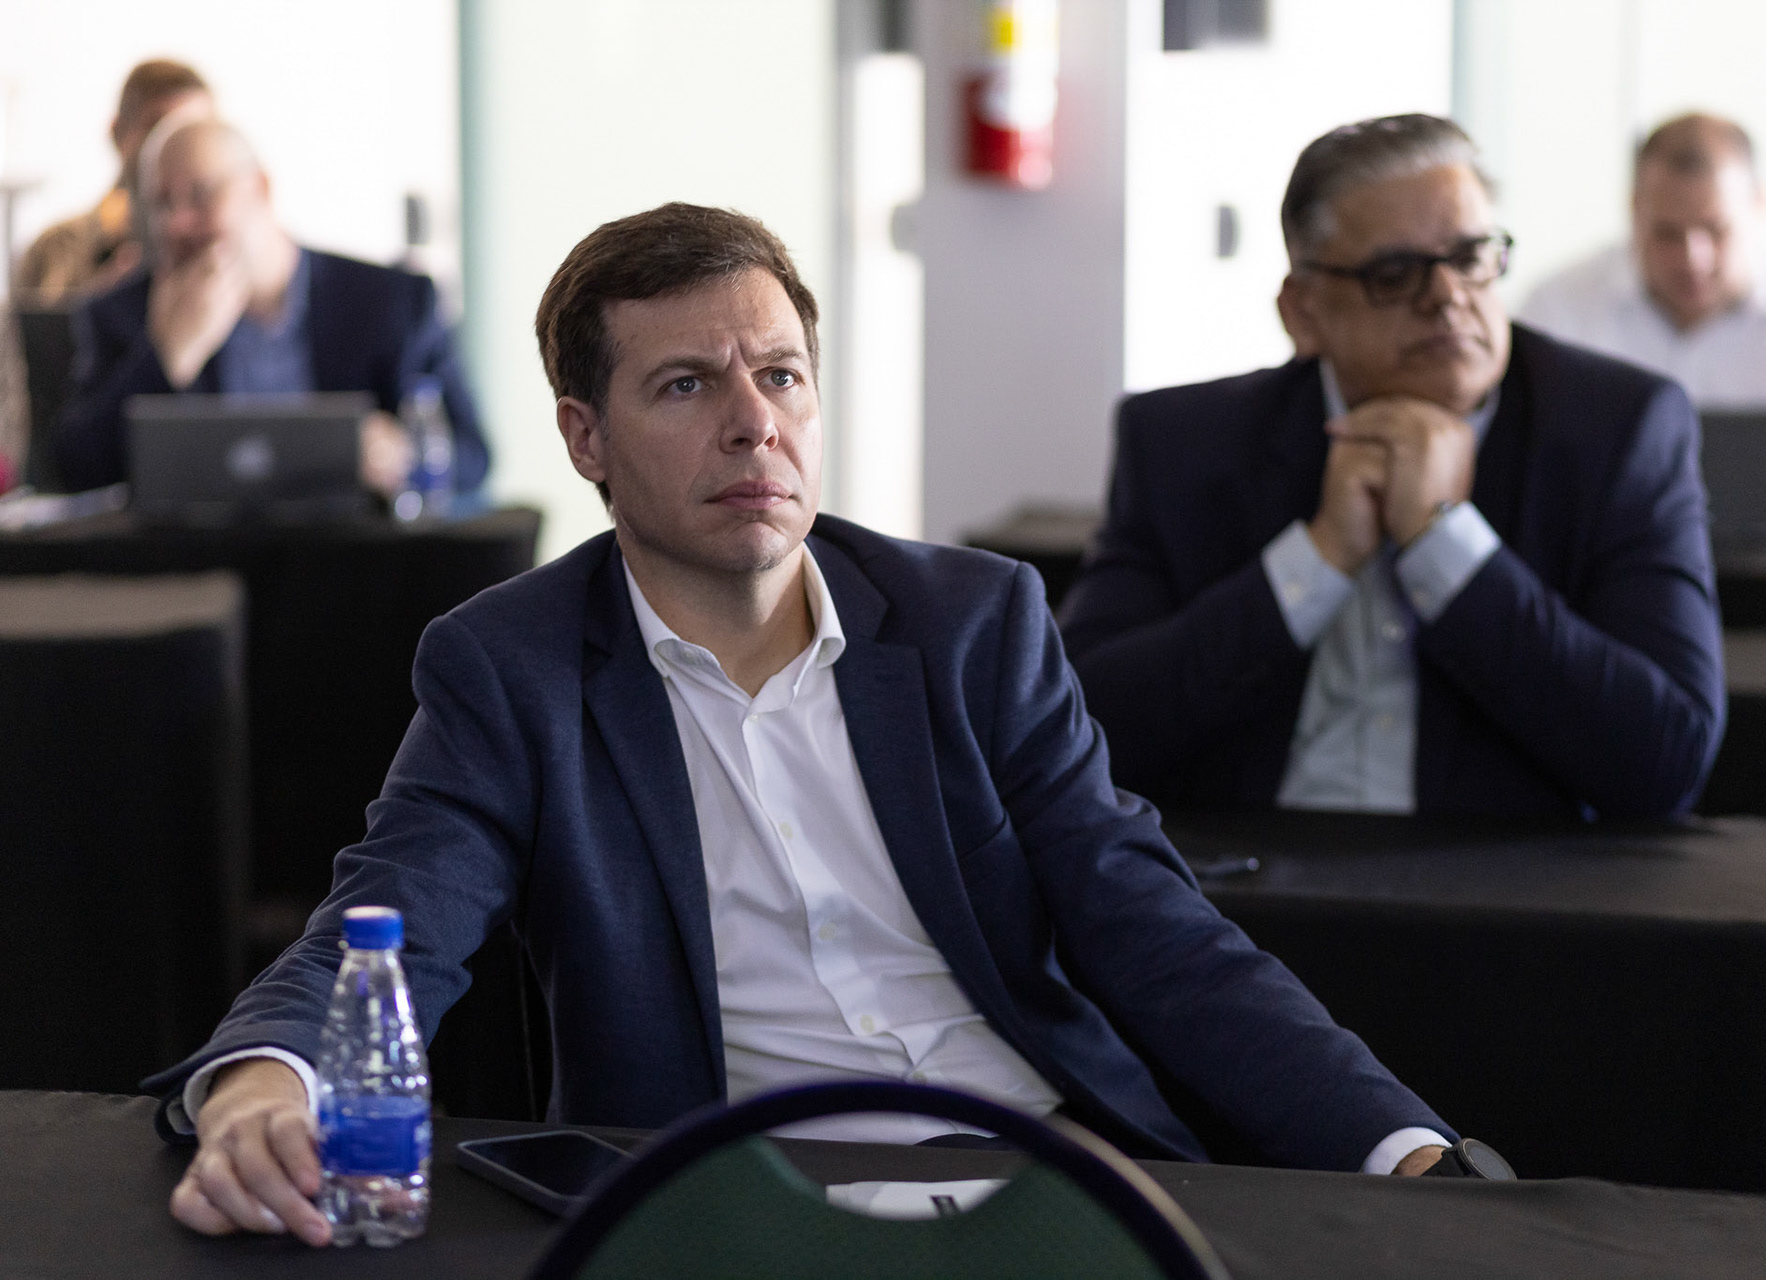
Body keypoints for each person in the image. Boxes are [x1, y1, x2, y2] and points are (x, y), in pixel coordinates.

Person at [150, 203, 1459, 1247]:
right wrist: (269, 1079)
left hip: (1041, 1162)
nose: (753, 423)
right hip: (737, 1204)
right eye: (686, 386)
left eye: (780, 375)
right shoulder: (514, 668)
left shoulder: (972, 621)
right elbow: (392, 916)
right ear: (585, 437)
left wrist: (1400, 1147)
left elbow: (1151, 923)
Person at [1059, 114, 1725, 820]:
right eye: (1394, 274)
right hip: (1243, 865)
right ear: (1303, 312)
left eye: (1470, 256)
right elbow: (1079, 731)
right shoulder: (1183, 442)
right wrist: (1319, 558)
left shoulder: (1619, 430)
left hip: (1501, 873)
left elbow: (1665, 760)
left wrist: (1445, 542)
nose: (1447, 296)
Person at [1521, 113, 1766, 538]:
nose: (1693, 258)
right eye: (1668, 233)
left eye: (1716, 230)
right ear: (1634, 209)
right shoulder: (1557, 309)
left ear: (1759, 206)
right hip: (1602, 564)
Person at [53, 117, 487, 498]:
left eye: (201, 195)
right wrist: (166, 359)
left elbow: (473, 458)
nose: (177, 223)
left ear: (260, 187)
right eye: (162, 204)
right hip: (197, 559)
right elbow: (74, 471)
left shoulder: (391, 301)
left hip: (355, 553)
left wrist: (403, 455)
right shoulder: (124, 313)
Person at [15, 60, 214, 306]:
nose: (175, 149)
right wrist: (98, 304)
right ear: (118, 133)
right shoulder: (56, 249)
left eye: (193, 133)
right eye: (158, 130)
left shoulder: (228, 246)